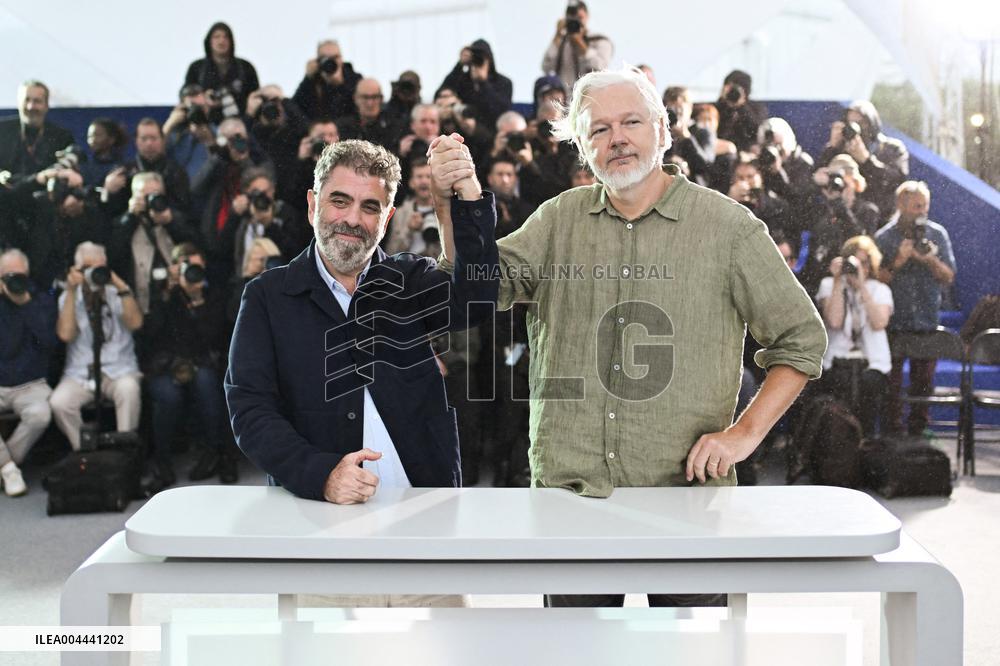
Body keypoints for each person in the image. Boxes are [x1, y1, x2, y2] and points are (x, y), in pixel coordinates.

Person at [434, 66, 826, 609]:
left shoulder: (730, 229)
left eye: (631, 122)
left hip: (687, 500)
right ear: (581, 145)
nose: (616, 138)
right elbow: (474, 290)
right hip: (572, 502)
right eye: (597, 129)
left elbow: (801, 339)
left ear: (662, 130)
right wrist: (449, 203)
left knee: (694, 654)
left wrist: (744, 435)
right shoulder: (555, 221)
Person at [225, 138, 498, 504]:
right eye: (340, 200)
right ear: (312, 205)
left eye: (370, 207)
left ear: (386, 219)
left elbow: (476, 301)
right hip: (317, 510)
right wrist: (321, 474)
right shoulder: (267, 297)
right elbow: (251, 412)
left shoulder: (411, 279)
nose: (353, 219)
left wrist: (468, 194)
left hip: (424, 503)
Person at [145, 243, 231, 487]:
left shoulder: (213, 294)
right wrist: (166, 294)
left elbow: (212, 337)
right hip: (166, 362)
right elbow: (152, 333)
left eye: (196, 264)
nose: (192, 271)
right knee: (168, 397)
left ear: (203, 264)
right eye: (186, 266)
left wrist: (198, 301)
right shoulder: (166, 293)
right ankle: (162, 462)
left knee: (206, 385)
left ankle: (213, 454)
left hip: (200, 360)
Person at [875, 181, 956, 436]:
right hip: (894, 323)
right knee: (892, 386)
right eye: (916, 206)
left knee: (923, 384)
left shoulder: (937, 234)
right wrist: (899, 260)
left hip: (926, 321)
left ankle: (919, 435)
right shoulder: (885, 237)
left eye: (925, 206)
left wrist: (930, 260)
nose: (922, 211)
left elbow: (949, 277)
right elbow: (876, 280)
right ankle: (892, 435)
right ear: (901, 205)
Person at [50, 242, 143, 451]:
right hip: (80, 373)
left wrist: (119, 285)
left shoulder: (117, 293)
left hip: (119, 369)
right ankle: (84, 452)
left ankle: (123, 453)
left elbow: (136, 323)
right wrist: (73, 290)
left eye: (98, 267)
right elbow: (66, 334)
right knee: (59, 403)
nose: (94, 273)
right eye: (88, 268)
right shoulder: (68, 297)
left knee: (129, 390)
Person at [814, 236, 893, 435]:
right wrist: (839, 282)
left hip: (872, 363)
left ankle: (864, 442)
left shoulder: (880, 290)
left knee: (867, 385)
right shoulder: (829, 285)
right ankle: (840, 445)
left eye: (865, 263)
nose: (860, 268)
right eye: (854, 262)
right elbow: (834, 321)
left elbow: (879, 323)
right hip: (837, 361)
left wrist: (862, 288)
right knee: (839, 383)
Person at [0, 249, 56, 497]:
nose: (13, 280)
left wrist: (26, 305)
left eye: (18, 274)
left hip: (31, 383)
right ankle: (9, 469)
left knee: (40, 415)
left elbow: (50, 341)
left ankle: (6, 464)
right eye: (7, 275)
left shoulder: (41, 299)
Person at [108, 171, 199, 315]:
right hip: (139, 307)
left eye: (155, 195)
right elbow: (114, 255)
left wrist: (170, 222)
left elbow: (195, 246)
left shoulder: (176, 219)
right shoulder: (123, 224)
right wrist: (130, 218)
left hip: (175, 306)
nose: (150, 200)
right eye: (144, 195)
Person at [819, 101, 908, 221]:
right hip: (848, 215)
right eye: (850, 123)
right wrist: (832, 147)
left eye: (861, 123)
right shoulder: (841, 148)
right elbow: (818, 175)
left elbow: (896, 180)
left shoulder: (892, 148)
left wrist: (866, 160)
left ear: (873, 123)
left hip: (883, 217)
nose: (856, 128)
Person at [0, 80, 74, 201]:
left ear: (46, 106)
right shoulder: (2, 130)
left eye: (37, 101)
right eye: (26, 100)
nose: (31, 107)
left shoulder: (61, 136)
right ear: (19, 103)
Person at [183, 22, 259, 119]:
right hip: (205, 120)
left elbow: (255, 95)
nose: (221, 41)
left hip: (240, 119)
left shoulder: (245, 67)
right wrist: (202, 97)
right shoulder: (197, 67)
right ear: (209, 41)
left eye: (225, 37)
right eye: (216, 37)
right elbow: (185, 92)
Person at [440, 40, 513, 129]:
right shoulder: (461, 79)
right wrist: (459, 65)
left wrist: (483, 82)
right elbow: (442, 92)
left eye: (481, 59)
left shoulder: (503, 82)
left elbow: (502, 111)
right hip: (463, 129)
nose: (477, 62)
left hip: (491, 131)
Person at [541, 1, 613, 90]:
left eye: (579, 18)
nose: (576, 22)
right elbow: (546, 68)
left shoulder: (599, 41)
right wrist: (557, 35)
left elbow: (601, 68)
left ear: (587, 16)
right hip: (565, 99)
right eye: (571, 19)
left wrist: (581, 45)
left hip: (590, 96)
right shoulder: (561, 42)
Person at [292, 40, 363, 122]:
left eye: (335, 57)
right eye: (325, 58)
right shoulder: (313, 81)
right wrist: (307, 79)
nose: (331, 62)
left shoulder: (355, 80)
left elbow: (359, 112)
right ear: (318, 61)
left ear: (341, 59)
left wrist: (340, 85)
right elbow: (295, 110)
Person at [334, 79, 401, 150]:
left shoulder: (394, 128)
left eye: (374, 97)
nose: (370, 103)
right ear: (355, 98)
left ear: (381, 99)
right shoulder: (342, 128)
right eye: (365, 97)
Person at [714, 69, 767, 153]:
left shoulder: (756, 108)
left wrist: (741, 106)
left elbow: (757, 130)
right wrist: (725, 103)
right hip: (723, 153)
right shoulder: (715, 109)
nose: (734, 92)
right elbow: (717, 131)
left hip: (747, 152)